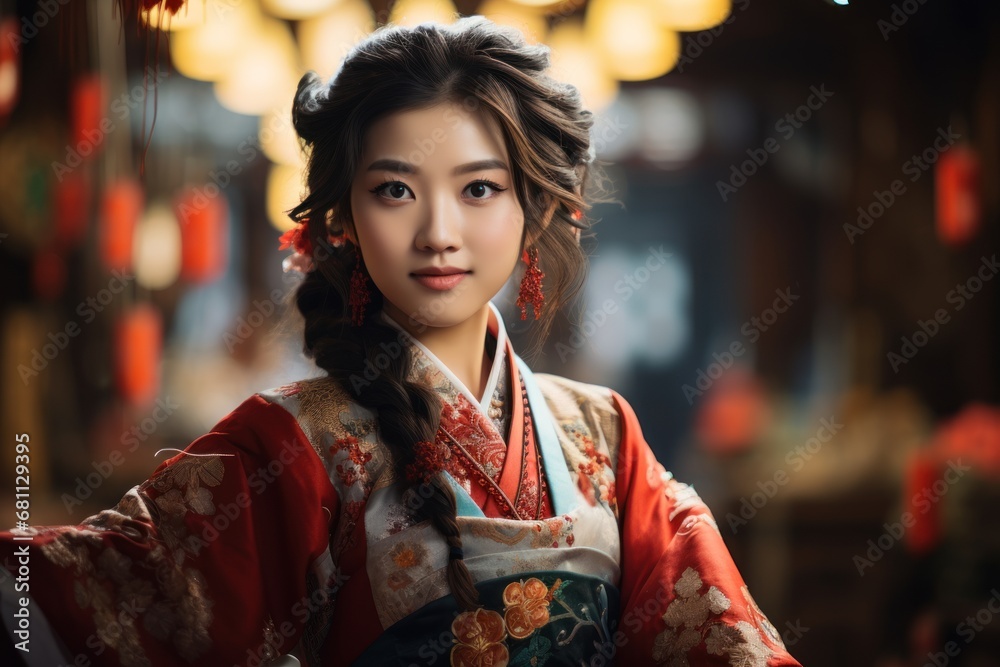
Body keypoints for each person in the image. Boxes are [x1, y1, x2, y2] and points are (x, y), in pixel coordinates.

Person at [0, 16, 802, 667]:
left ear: (538, 209)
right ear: (342, 217)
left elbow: (724, 643)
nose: (439, 233)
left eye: (480, 188)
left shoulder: (604, 435)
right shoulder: (293, 445)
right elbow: (69, 595)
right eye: (394, 190)